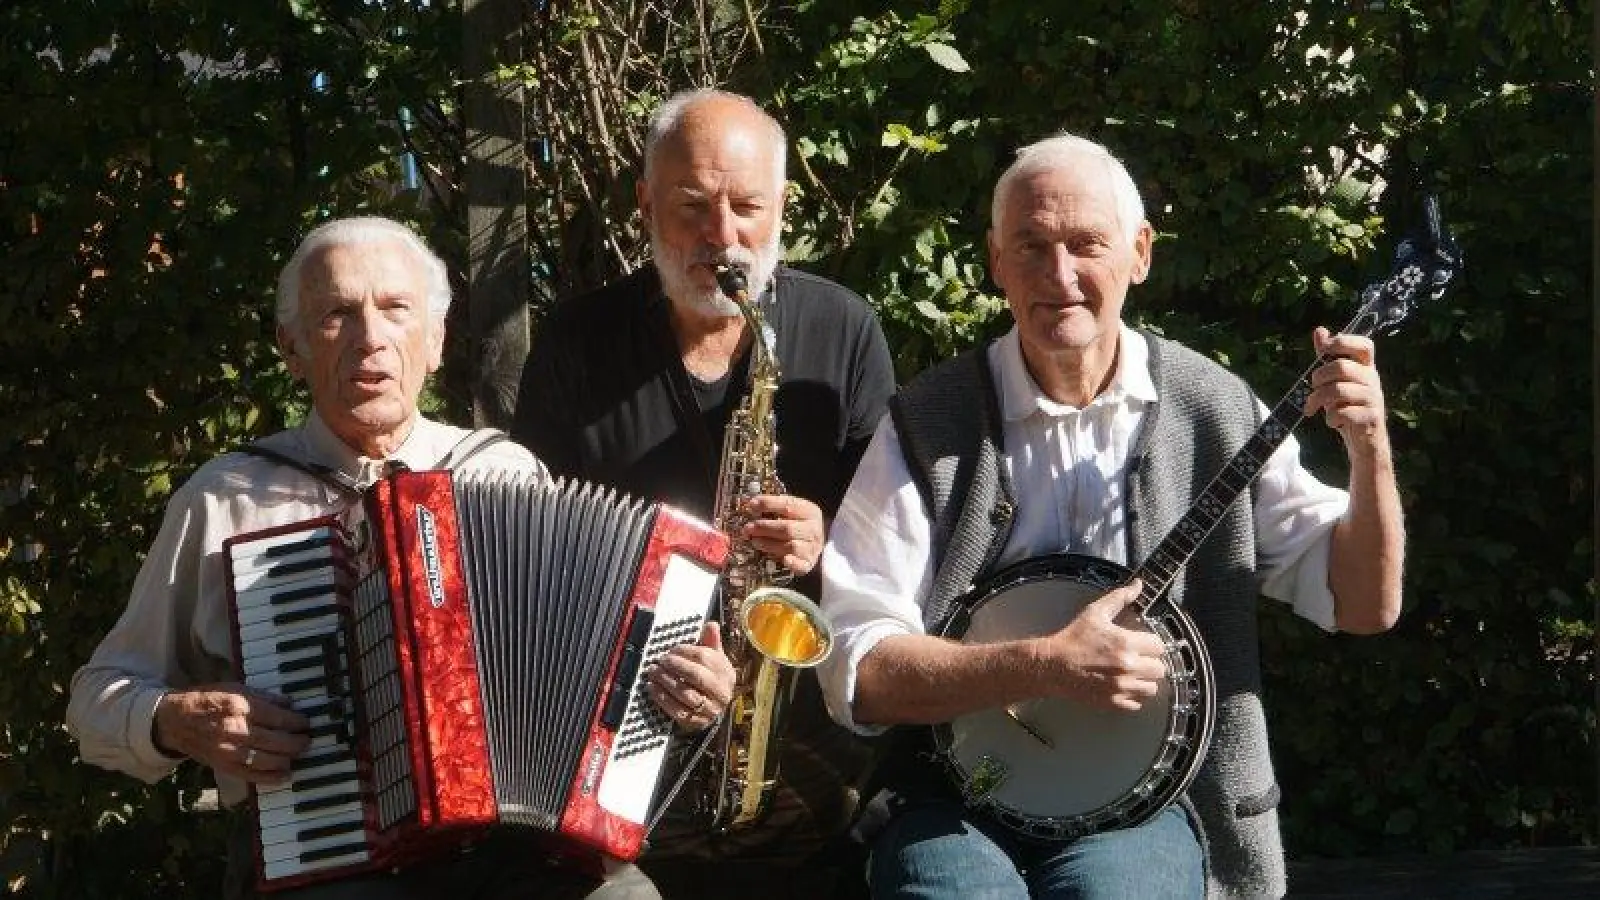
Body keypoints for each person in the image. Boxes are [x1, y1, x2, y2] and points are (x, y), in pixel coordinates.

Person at [65, 216, 735, 900]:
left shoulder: (503, 472)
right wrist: (173, 720)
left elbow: (602, 671)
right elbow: (96, 699)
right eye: (336, 314)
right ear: (291, 348)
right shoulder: (226, 499)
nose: (370, 337)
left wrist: (685, 686)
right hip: (332, 862)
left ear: (436, 342)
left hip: (517, 852)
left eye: (395, 309)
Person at [816, 133, 1405, 899]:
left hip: (1148, 804)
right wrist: (1045, 664)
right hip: (952, 791)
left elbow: (1365, 604)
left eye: (1086, 245)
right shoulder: (928, 424)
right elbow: (858, 670)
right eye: (1030, 247)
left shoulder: (1213, 409)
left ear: (1140, 253)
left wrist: (1369, 452)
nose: (1059, 276)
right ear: (996, 263)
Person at [511, 89, 897, 898]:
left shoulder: (844, 329)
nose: (722, 237)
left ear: (783, 205)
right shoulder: (577, 343)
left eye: (748, 207)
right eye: (691, 206)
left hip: (802, 748)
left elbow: (897, 553)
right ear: (645, 203)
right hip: (623, 728)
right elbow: (531, 563)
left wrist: (829, 533)